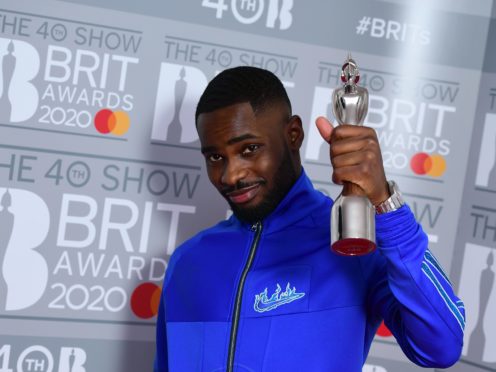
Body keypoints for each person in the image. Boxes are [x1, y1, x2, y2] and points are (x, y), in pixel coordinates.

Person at [154, 66, 465, 371]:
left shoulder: (351, 246)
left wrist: (385, 202)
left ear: (293, 135)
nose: (231, 174)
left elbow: (441, 347)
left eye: (249, 149)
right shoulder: (189, 261)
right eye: (215, 157)